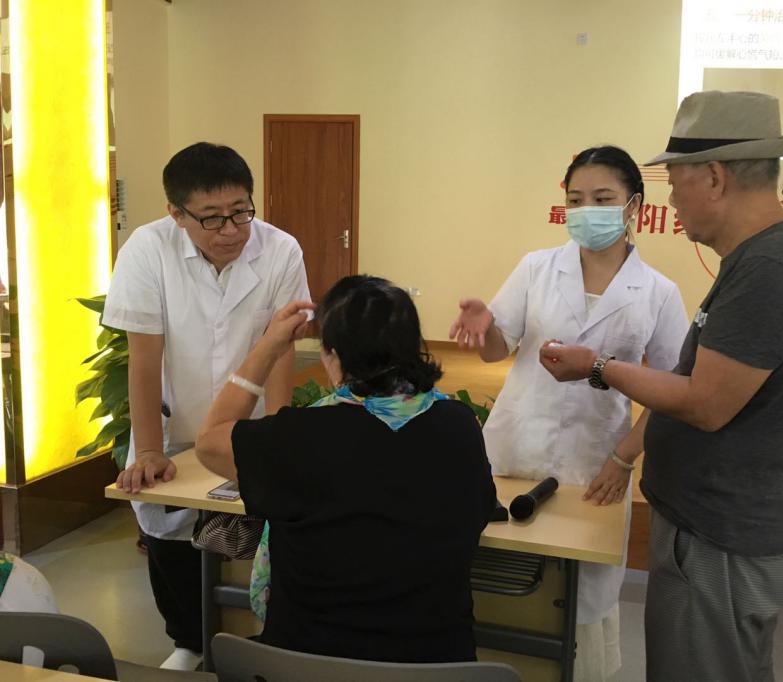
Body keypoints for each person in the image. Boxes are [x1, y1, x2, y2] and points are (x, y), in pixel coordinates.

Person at [539, 91, 783, 681]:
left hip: (721, 538)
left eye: (675, 182)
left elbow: (706, 403)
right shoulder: (764, 257)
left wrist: (597, 367)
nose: (673, 201)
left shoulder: (772, 267)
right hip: (717, 526)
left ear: (714, 176)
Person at [449, 146, 688, 680]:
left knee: (579, 598)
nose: (587, 211)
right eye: (576, 200)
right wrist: (484, 328)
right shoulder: (537, 267)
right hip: (514, 447)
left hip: (595, 462)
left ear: (634, 206)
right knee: (497, 578)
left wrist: (623, 459)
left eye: (602, 199)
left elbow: (672, 389)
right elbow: (496, 349)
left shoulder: (658, 292)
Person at [195, 276, 496, 664]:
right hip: (436, 667)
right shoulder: (461, 426)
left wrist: (268, 347)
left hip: (304, 666)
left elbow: (209, 442)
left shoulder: (297, 438)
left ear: (333, 356)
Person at [103, 142, 309, 670]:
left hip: (248, 423)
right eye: (212, 218)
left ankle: (254, 639)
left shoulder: (281, 250)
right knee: (167, 528)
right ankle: (189, 641)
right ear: (177, 214)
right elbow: (144, 357)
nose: (231, 230)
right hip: (173, 419)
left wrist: (278, 437)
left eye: (241, 211)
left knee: (254, 530)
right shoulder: (148, 250)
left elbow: (281, 349)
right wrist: (150, 449)